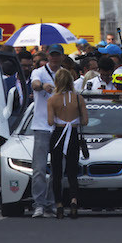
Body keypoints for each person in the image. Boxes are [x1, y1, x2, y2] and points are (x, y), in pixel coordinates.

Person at [47, 67, 88, 219]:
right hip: (73, 135)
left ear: (56, 81)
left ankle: (58, 205)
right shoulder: (78, 98)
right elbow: (85, 120)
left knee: (57, 173)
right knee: (72, 172)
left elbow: (50, 121)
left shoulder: (52, 99)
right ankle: (74, 201)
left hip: (58, 135)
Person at [29, 44, 63, 218]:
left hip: (60, 127)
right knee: (39, 169)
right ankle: (39, 204)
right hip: (41, 126)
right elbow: (34, 84)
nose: (55, 58)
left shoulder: (65, 74)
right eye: (52, 55)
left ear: (62, 57)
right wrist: (43, 86)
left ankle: (51, 203)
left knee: (57, 169)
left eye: (58, 55)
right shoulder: (39, 72)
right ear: (48, 56)